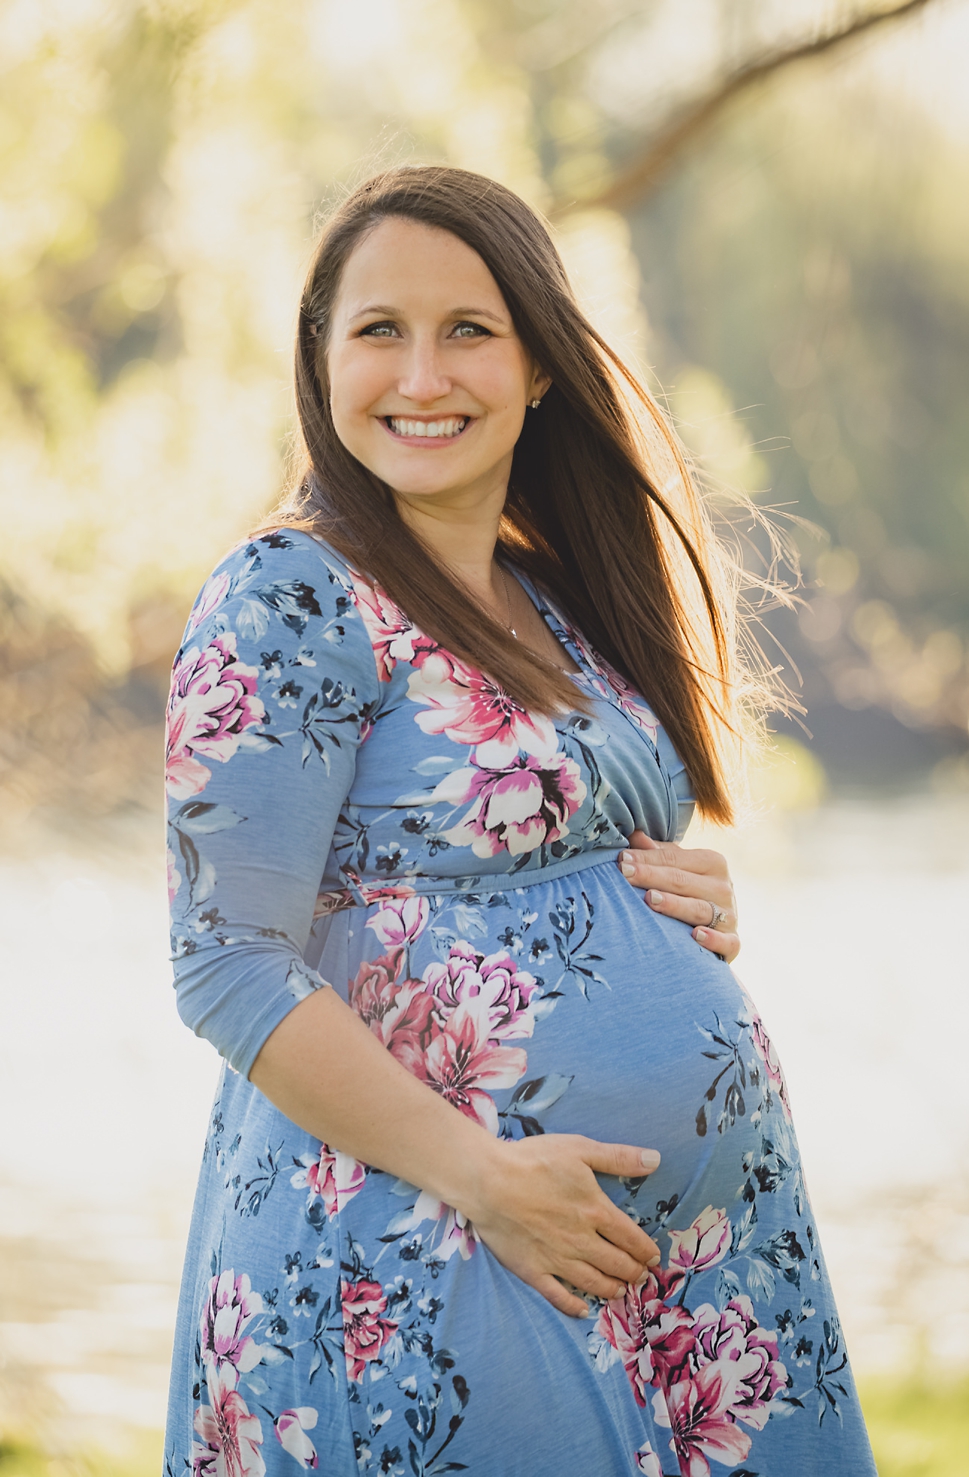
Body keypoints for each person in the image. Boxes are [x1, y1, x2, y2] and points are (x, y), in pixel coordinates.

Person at [163, 166, 876, 1475]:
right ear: (321, 360)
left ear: (539, 366)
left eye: (469, 331)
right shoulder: (289, 593)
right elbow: (225, 960)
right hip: (439, 1244)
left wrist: (685, 886)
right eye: (379, 330)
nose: (421, 374)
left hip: (692, 1287)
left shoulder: (551, 592)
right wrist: (485, 1177)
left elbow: (566, 852)